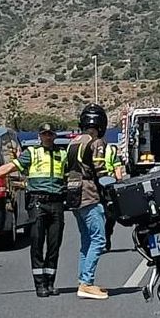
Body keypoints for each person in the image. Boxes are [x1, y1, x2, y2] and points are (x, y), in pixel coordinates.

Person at [0, 124, 66, 297]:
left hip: (56, 203)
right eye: (44, 134)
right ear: (40, 136)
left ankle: (50, 282)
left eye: (50, 134)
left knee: (54, 244)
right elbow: (10, 167)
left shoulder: (62, 154)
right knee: (37, 242)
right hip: (38, 202)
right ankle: (40, 284)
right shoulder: (32, 153)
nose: (47, 137)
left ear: (54, 136)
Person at [66, 104, 110, 300]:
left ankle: (83, 281)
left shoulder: (73, 142)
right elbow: (100, 170)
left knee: (86, 240)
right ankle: (87, 283)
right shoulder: (96, 142)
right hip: (89, 194)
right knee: (99, 239)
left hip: (73, 194)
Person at [103, 143, 124, 252]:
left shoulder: (110, 150)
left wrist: (119, 182)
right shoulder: (109, 149)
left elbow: (117, 167)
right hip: (96, 186)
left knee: (110, 215)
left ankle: (106, 237)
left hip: (107, 185)